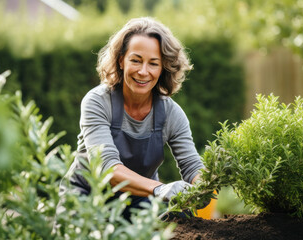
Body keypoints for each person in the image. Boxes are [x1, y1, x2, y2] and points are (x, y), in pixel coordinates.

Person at [60, 17, 205, 220]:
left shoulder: (171, 114)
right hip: (84, 199)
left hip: (138, 202)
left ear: (163, 67)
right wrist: (160, 189)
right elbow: (107, 168)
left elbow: (192, 165)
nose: (143, 72)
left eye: (153, 63)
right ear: (121, 60)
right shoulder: (98, 102)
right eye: (136, 60)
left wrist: (204, 185)